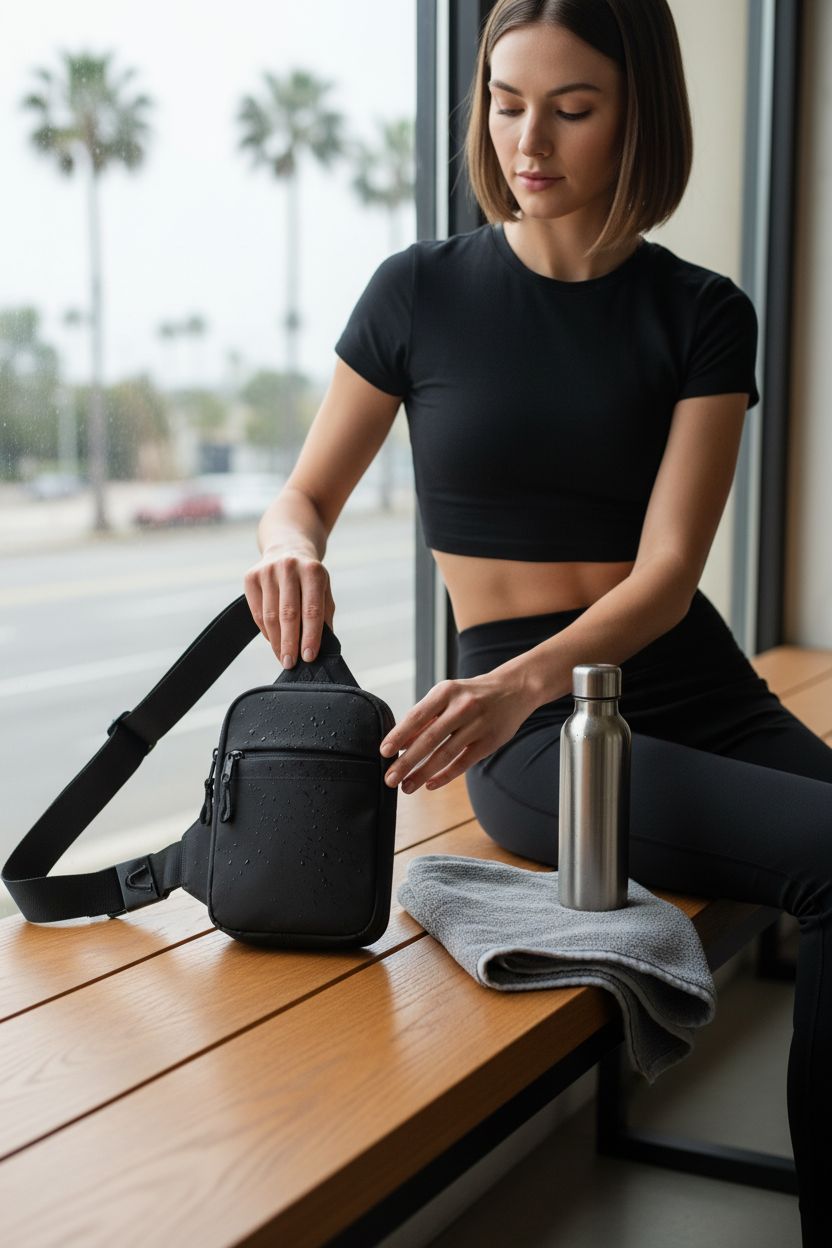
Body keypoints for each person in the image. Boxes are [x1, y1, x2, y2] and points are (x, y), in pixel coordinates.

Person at [244, 2, 830, 1241]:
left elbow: (668, 575)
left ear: (639, 120)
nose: (530, 139)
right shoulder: (417, 291)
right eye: (507, 102)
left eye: (572, 108)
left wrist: (531, 679)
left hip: (688, 684)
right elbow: (301, 494)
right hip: (520, 734)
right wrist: (289, 541)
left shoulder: (705, 311)